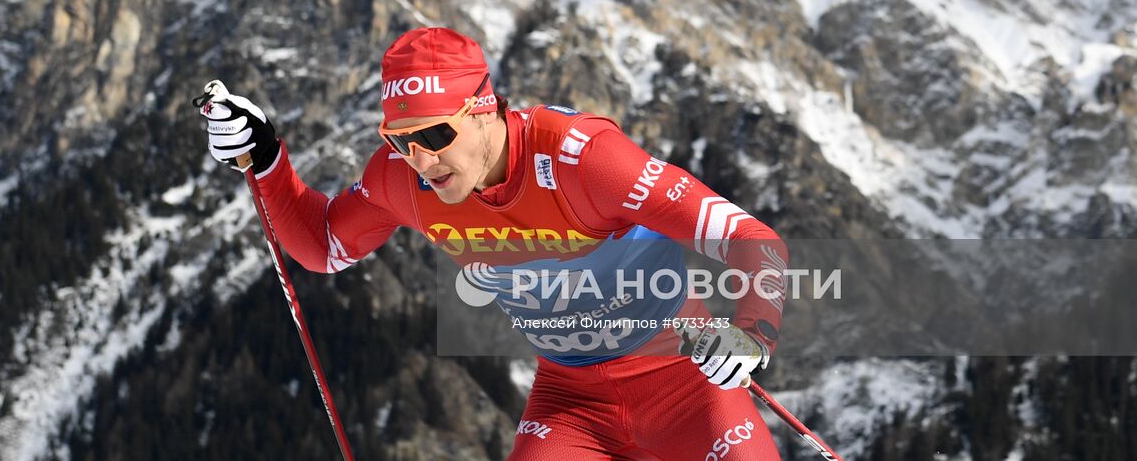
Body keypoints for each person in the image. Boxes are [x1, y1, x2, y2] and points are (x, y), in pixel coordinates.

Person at [202, 26, 787, 460]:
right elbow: (324, 245)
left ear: (485, 109)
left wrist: (752, 332)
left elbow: (750, 239)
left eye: (435, 133)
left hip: (684, 384)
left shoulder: (585, 160)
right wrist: (269, 160)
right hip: (571, 401)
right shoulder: (402, 178)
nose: (421, 159)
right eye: (400, 139)